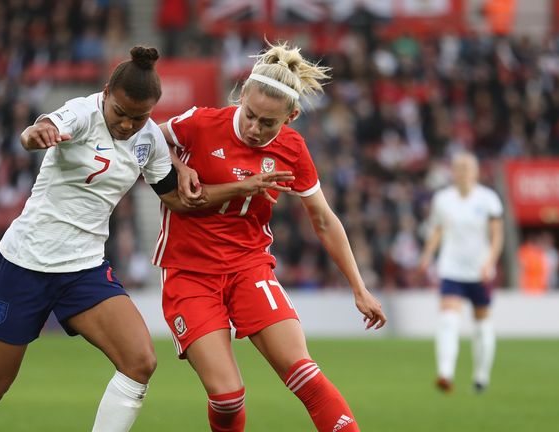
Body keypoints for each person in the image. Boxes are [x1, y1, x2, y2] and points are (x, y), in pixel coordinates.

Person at [0, 46, 292, 432]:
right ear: (106, 93)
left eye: (138, 118)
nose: (126, 125)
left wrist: (241, 186)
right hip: (26, 263)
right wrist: (35, 133)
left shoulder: (150, 139)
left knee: (140, 361)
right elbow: (40, 127)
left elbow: (178, 199)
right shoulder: (83, 113)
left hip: (83, 269)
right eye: (120, 113)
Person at [154, 42, 387, 432]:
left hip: (249, 267)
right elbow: (145, 138)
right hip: (189, 271)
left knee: (305, 374)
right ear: (242, 95)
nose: (254, 129)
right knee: (228, 398)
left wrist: (359, 288)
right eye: (251, 115)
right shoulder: (200, 123)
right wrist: (177, 165)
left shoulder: (292, 149)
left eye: (268, 123)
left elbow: (324, 220)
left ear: (291, 117)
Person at [419, 152, 504, 393]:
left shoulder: (489, 199)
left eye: (468, 167)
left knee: (482, 324)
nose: (463, 171)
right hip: (451, 268)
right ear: (453, 172)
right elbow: (437, 230)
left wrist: (490, 260)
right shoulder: (443, 199)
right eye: (459, 167)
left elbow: (497, 234)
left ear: (476, 172)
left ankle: (481, 376)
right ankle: (445, 373)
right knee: (448, 319)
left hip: (480, 270)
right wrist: (427, 255)